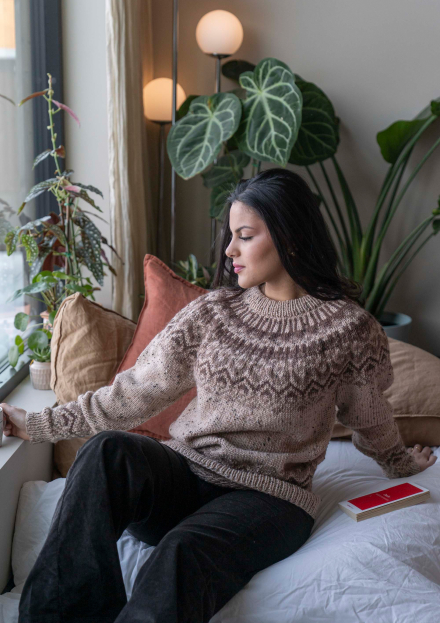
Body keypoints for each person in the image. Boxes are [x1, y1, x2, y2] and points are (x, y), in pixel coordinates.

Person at [1, 167, 436, 623]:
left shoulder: (348, 329)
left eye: (244, 236)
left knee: (181, 550)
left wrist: (401, 463)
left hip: (270, 500)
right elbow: (134, 392)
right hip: (186, 475)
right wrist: (37, 424)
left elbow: (369, 417)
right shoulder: (213, 312)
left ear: (289, 238)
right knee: (107, 451)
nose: (229, 250)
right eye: (231, 236)